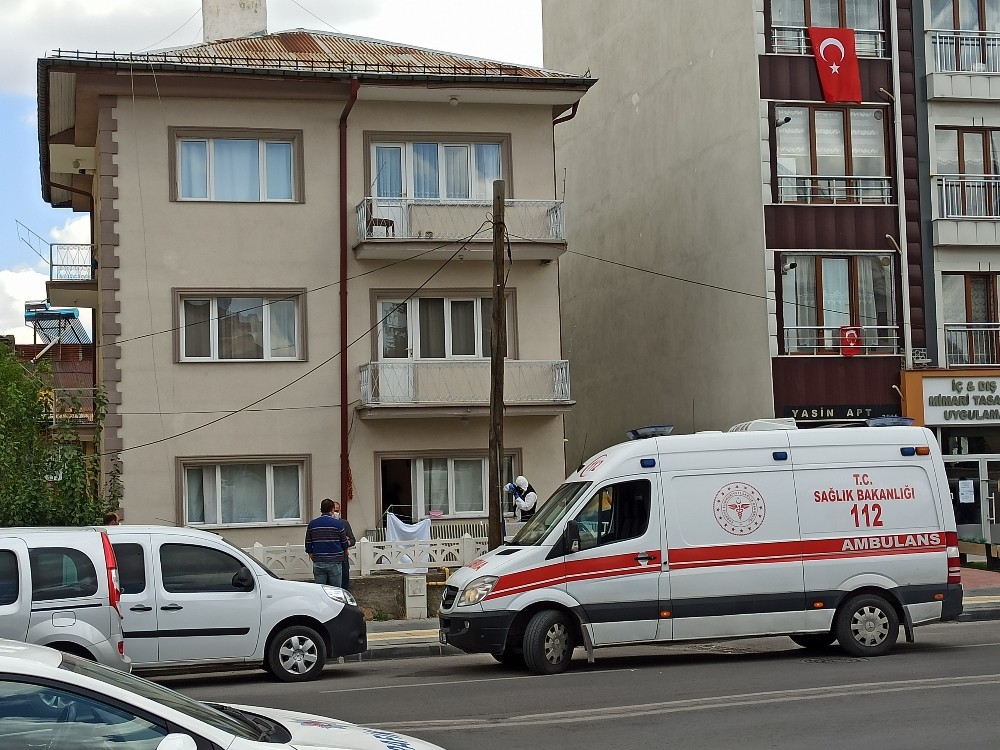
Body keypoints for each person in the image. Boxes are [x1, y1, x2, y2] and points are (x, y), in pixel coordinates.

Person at [304, 498, 349, 587]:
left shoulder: (312, 524)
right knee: (335, 589)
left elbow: (308, 544)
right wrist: (345, 552)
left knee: (320, 589)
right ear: (332, 509)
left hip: (319, 561)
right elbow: (344, 543)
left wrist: (312, 556)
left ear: (321, 509)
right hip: (335, 561)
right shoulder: (338, 524)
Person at [332, 501, 355, 591]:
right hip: (331, 558)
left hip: (343, 557)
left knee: (344, 582)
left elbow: (353, 540)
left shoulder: (344, 523)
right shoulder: (326, 523)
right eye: (334, 511)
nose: (335, 513)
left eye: (337, 511)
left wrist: (346, 542)